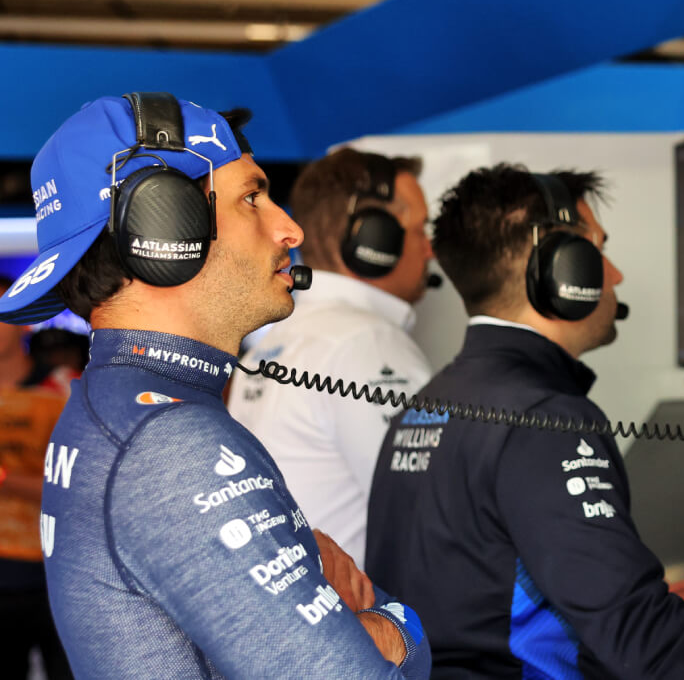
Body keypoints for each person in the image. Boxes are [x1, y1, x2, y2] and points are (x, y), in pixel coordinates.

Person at [0, 93, 431, 678]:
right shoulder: (169, 443)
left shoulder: (123, 408)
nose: (289, 228)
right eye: (252, 197)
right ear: (162, 228)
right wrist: (397, 623)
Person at [366, 165, 684, 679]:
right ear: (560, 267)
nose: (613, 274)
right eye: (598, 249)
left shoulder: (427, 403)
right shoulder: (545, 420)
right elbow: (643, 646)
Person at [230, 147, 434, 564]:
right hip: (371, 618)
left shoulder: (274, 341)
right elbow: (435, 515)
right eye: (421, 229)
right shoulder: (366, 342)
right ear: (373, 241)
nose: (430, 250)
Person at [0, 311, 77, 680]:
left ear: (24, 321)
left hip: (57, 571)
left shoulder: (63, 389)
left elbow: (82, 487)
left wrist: (5, 478)